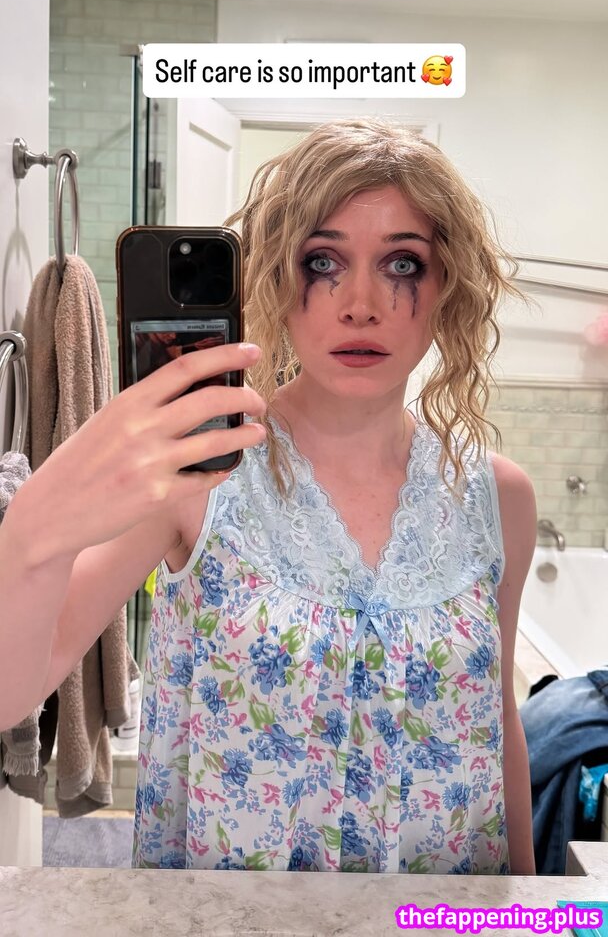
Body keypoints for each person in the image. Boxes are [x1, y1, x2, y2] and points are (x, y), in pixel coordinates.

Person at [0, 119, 536, 876]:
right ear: (279, 281)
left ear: (447, 285)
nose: (361, 304)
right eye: (323, 261)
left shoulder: (496, 498)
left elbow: (497, 716)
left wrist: (525, 904)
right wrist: (34, 531)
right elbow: (14, 687)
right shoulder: (199, 475)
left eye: (402, 264)